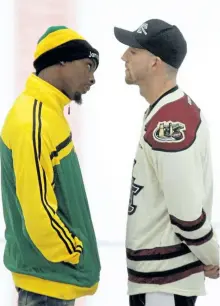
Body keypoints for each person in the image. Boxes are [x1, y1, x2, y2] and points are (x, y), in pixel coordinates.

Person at [114, 19, 219, 306]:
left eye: (133, 50)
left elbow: (186, 215)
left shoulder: (170, 123)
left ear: (154, 62)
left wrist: (213, 256)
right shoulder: (166, 112)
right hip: (160, 279)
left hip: (163, 281)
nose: (124, 56)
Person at [0, 25, 101, 306]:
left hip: (53, 280)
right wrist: (72, 250)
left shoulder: (47, 113)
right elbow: (37, 207)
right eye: (89, 66)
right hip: (48, 284)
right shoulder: (32, 120)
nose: (92, 78)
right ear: (61, 61)